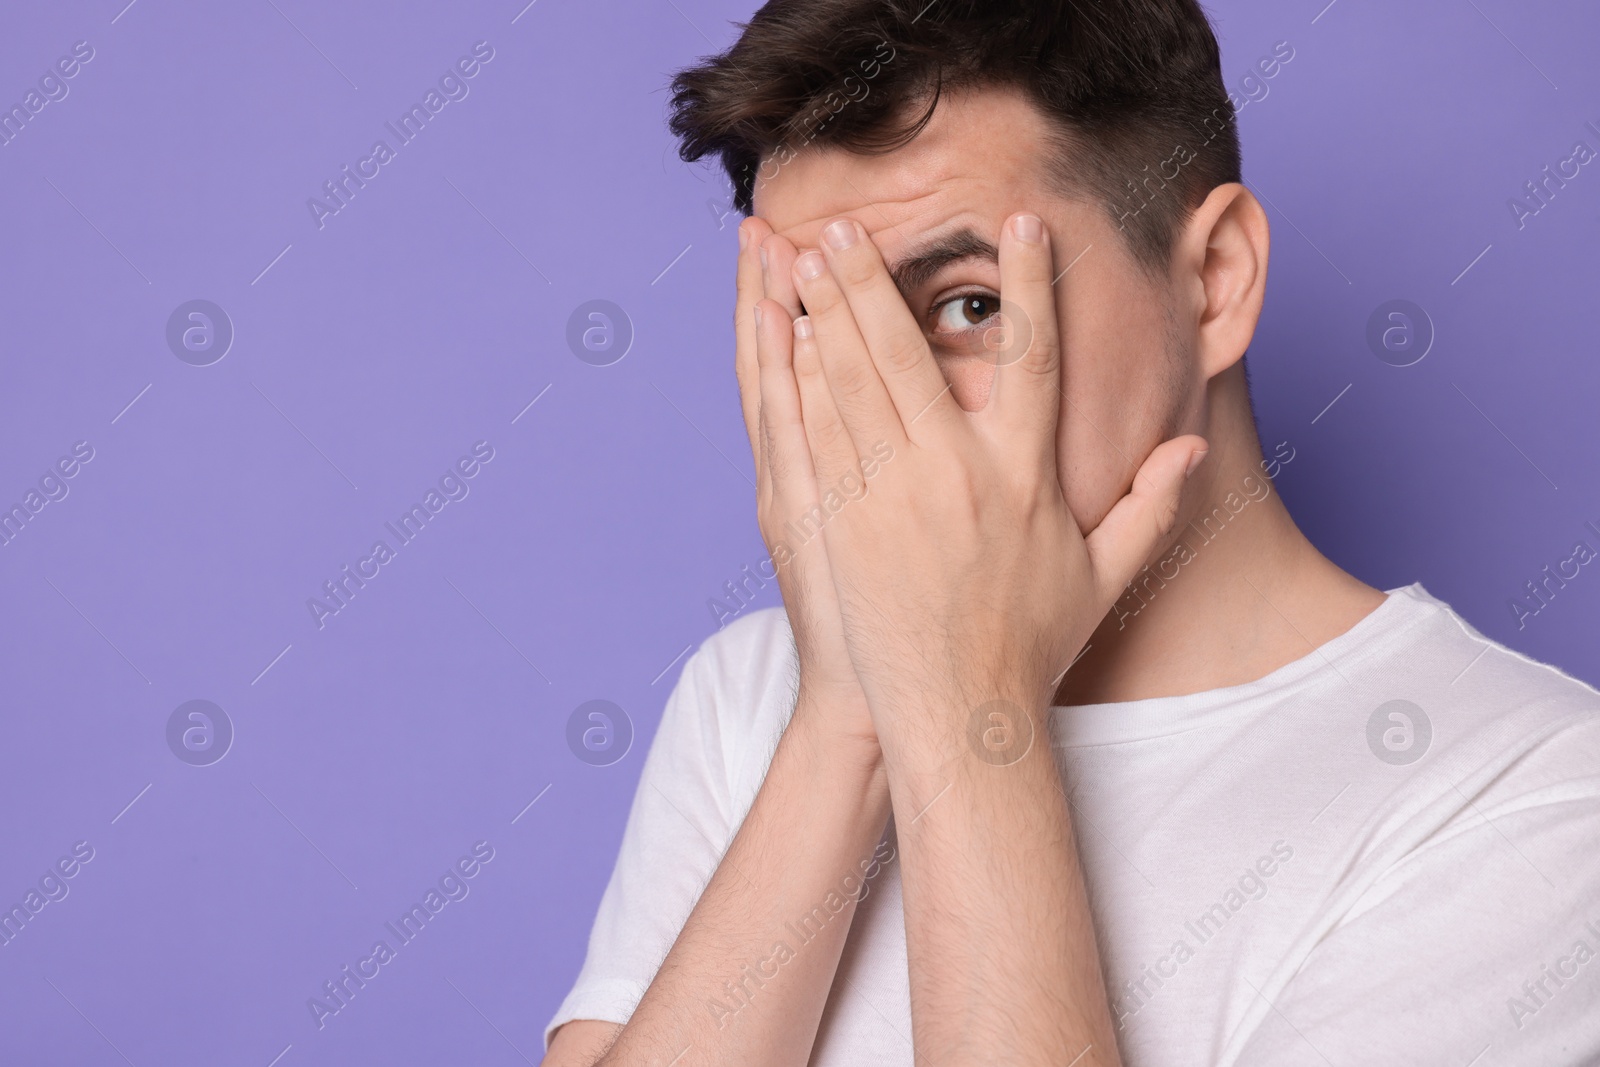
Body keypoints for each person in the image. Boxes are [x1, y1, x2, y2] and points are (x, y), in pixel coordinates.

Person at [542, 1, 1600, 1063]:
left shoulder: (1526, 801)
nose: (882, 404)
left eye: (967, 307)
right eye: (826, 323)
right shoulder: (753, 701)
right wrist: (849, 716)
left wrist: (969, 695)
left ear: (1214, 278)